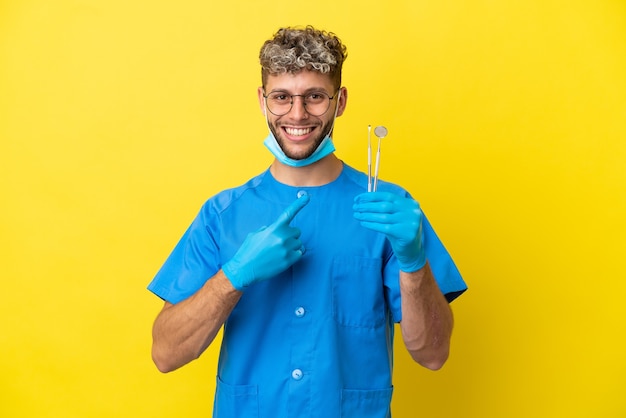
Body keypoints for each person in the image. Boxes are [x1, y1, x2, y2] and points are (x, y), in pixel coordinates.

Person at [148, 25, 467, 418]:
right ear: (263, 101)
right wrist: (233, 276)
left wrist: (414, 262)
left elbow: (433, 354)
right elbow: (165, 353)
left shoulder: (388, 209)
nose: (297, 114)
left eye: (315, 97)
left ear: (340, 100)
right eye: (282, 97)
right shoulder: (221, 215)